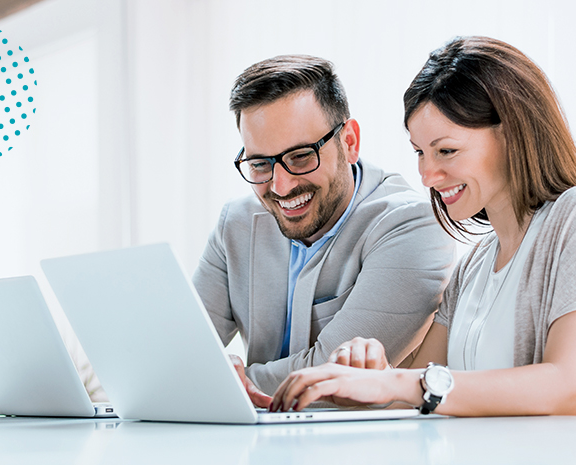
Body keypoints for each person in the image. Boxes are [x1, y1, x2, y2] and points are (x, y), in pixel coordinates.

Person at [269, 37, 576, 417]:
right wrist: (368, 380)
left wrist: (399, 383)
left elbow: (566, 387)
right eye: (420, 153)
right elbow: (419, 393)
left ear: (514, 134)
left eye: (446, 150)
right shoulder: (476, 265)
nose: (428, 175)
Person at [192, 55, 456, 407]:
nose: (281, 186)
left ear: (349, 142)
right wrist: (198, 373)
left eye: (300, 157)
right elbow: (180, 350)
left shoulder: (415, 227)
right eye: (260, 164)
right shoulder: (236, 223)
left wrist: (209, 383)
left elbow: (329, 379)